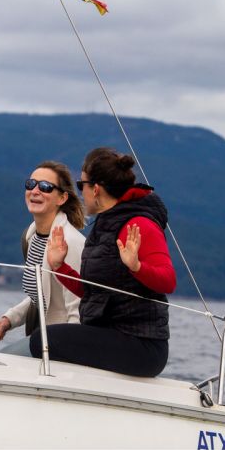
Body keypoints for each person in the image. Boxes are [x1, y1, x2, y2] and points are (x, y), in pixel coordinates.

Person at [30, 147, 176, 377]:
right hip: (112, 333)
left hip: (143, 345)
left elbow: (168, 281)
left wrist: (136, 267)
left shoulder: (139, 224)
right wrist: (60, 267)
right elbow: (92, 293)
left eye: (82, 185)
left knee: (42, 340)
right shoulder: (105, 225)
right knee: (43, 339)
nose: (81, 193)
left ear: (95, 189)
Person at [0, 161, 85, 347]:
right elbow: (41, 296)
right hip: (40, 335)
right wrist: (9, 319)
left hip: (60, 344)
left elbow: (78, 310)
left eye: (45, 187)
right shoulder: (30, 237)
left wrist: (69, 353)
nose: (35, 191)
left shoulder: (70, 243)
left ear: (62, 198)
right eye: (31, 184)